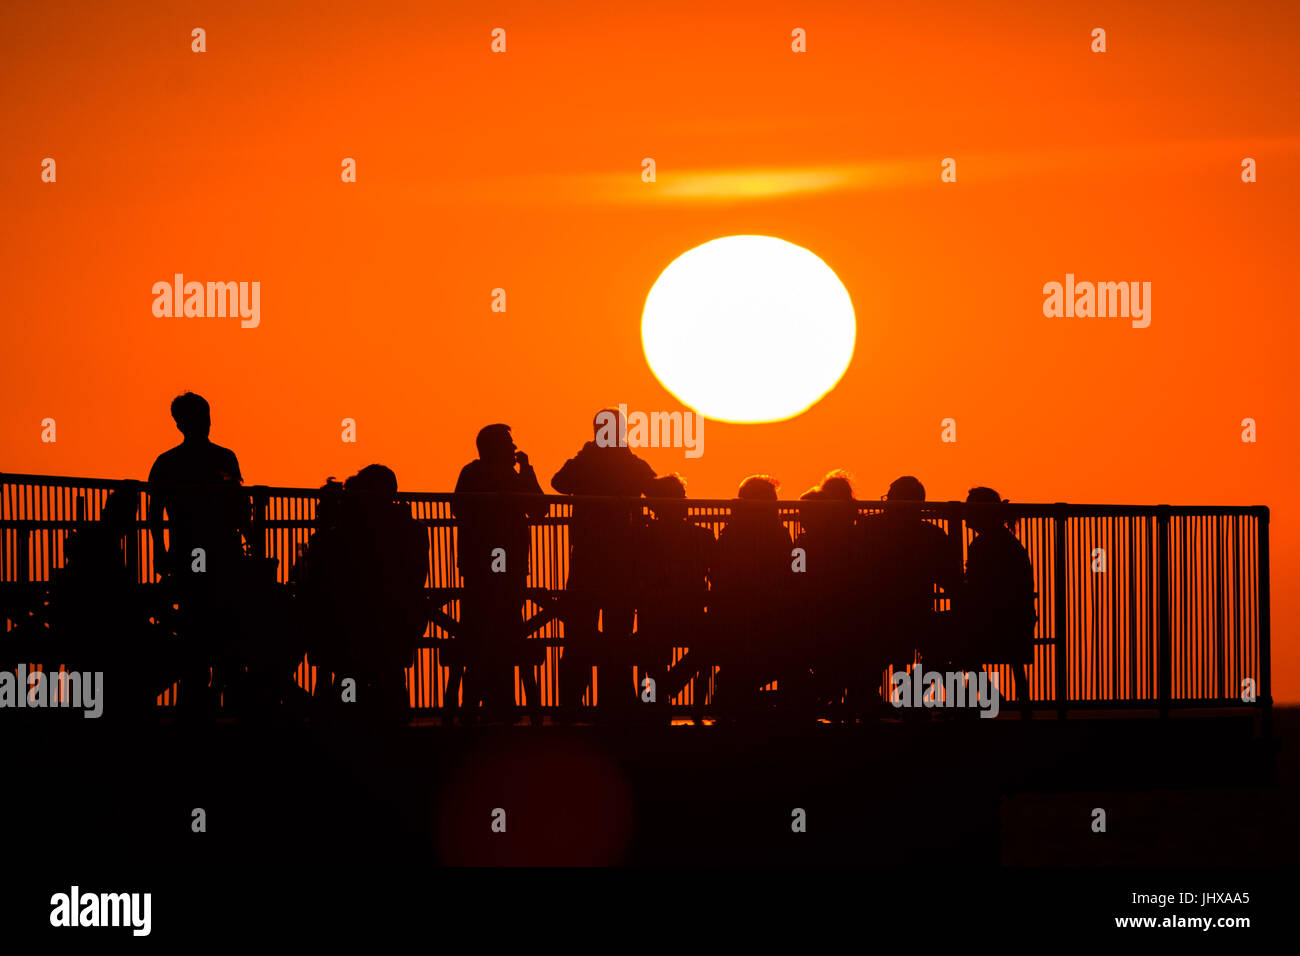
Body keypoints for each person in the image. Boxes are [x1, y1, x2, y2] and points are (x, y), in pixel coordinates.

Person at [298, 465, 429, 720]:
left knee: (347, 670)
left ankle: (339, 712)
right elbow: (416, 576)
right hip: (399, 621)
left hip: (353, 625)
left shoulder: (346, 532)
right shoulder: (412, 530)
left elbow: (326, 577)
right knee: (389, 674)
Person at [147, 392, 250, 716]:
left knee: (195, 625)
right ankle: (225, 694)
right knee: (222, 623)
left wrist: (160, 551)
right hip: (221, 554)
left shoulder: (167, 462)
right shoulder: (224, 458)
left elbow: (155, 512)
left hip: (188, 553)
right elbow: (240, 507)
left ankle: (197, 698)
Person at [551, 408, 656, 712]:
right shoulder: (630, 463)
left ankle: (571, 701)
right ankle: (615, 699)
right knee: (618, 632)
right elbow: (653, 489)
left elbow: (559, 482)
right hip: (623, 560)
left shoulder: (586, 461)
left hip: (586, 558)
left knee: (579, 631)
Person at [452, 425, 549, 721]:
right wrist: (527, 470)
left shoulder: (469, 474)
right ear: (496, 447)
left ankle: (473, 703)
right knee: (507, 630)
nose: (513, 446)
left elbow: (458, 509)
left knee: (478, 632)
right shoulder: (509, 476)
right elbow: (539, 509)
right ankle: (502, 703)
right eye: (508, 443)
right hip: (509, 570)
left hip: (476, 568)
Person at [857, 476, 961, 715]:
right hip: (917, 616)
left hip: (872, 617)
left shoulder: (867, 528)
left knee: (869, 650)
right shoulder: (931, 534)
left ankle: (866, 699)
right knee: (945, 645)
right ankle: (911, 695)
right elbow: (952, 582)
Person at [707, 475, 795, 716]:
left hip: (736, 617)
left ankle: (736, 694)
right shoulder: (776, 535)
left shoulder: (731, 532)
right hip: (761, 616)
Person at [635, 475, 714, 720]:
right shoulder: (702, 537)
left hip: (655, 616)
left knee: (653, 652)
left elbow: (637, 576)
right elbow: (717, 577)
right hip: (690, 614)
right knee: (711, 645)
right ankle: (669, 687)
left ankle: (658, 698)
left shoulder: (644, 537)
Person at [958, 487, 1037, 718]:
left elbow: (977, 591)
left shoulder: (985, 544)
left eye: (969, 506)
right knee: (953, 639)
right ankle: (978, 700)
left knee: (945, 639)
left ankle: (972, 704)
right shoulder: (1004, 540)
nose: (964, 512)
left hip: (997, 627)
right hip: (1015, 625)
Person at [792, 471, 859, 716]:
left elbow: (796, 574)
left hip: (816, 611)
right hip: (845, 611)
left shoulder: (805, 543)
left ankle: (816, 698)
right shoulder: (857, 537)